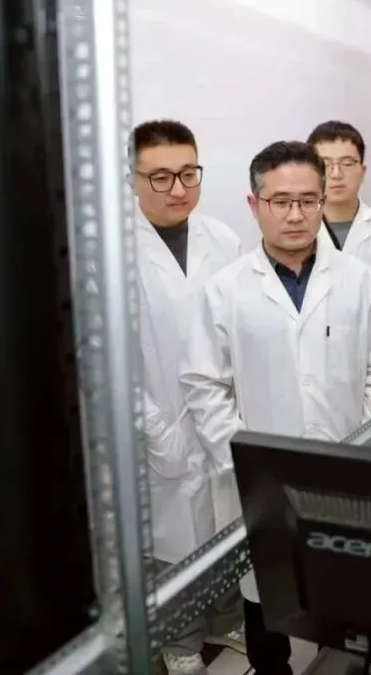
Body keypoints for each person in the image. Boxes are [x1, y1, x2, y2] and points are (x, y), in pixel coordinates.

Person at [181, 140, 371, 675]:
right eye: (280, 201)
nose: (295, 215)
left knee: (344, 597)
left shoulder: (358, 281)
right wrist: (246, 458)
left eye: (308, 201)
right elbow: (204, 385)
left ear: (322, 201)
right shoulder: (225, 290)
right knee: (265, 602)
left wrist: (357, 442)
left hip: (341, 469)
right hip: (260, 479)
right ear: (254, 205)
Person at [132, 119, 243, 675]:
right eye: (161, 176)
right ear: (133, 179)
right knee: (169, 540)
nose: (178, 188)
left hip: (218, 414)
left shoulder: (223, 240)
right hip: (156, 420)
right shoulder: (111, 255)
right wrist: (154, 427)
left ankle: (226, 621)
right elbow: (101, 357)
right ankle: (179, 644)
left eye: (188, 173)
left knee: (225, 524)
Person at [307, 121, 371, 268]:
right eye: (325, 164)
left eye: (347, 163)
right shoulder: (297, 228)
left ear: (362, 172)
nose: (336, 174)